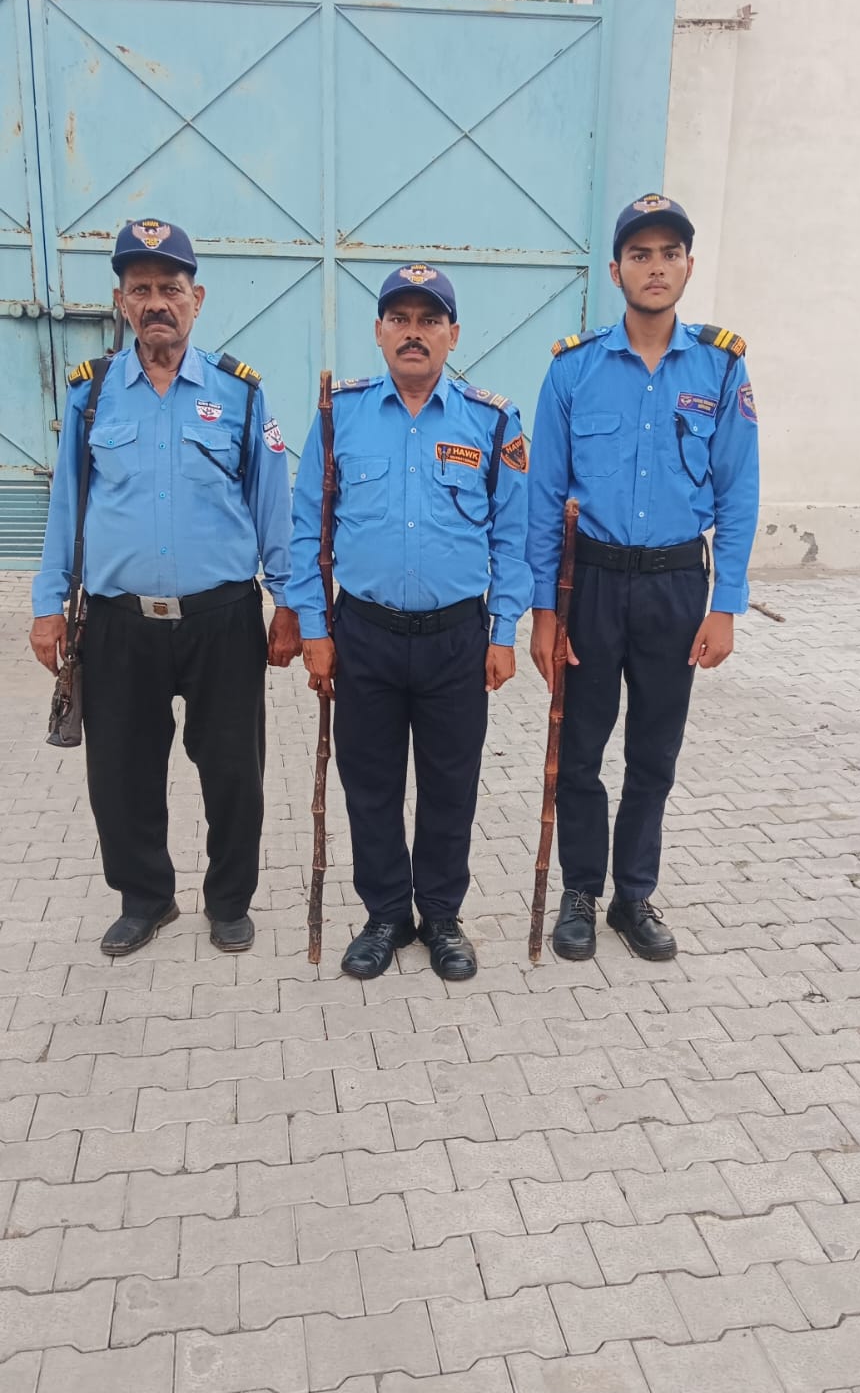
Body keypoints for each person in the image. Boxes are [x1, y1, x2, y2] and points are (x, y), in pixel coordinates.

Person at [30, 218, 301, 957]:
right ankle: (145, 898)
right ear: (121, 301)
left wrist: (291, 606)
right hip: (117, 623)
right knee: (120, 773)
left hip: (223, 619)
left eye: (170, 289)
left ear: (197, 298)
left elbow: (273, 502)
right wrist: (46, 604)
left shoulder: (242, 395)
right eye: (142, 289)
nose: (157, 302)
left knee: (233, 772)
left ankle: (229, 901)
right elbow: (67, 506)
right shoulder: (92, 398)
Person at [528, 193, 759, 962]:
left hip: (672, 586)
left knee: (653, 754)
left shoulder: (721, 366)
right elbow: (542, 494)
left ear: (687, 265)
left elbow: (737, 488)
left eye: (668, 253)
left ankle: (633, 896)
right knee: (581, 752)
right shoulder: (572, 369)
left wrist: (724, 603)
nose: (654, 268)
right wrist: (541, 611)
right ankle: (578, 894)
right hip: (589, 585)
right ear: (615, 268)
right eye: (640, 254)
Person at [289, 264, 531, 981]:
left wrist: (504, 630)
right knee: (369, 783)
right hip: (362, 633)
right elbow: (308, 526)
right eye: (400, 318)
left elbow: (511, 538)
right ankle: (386, 914)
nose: (414, 332)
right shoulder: (341, 413)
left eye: (430, 320)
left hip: (457, 637)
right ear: (379, 332)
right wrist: (313, 625)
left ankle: (443, 917)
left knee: (450, 784)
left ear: (453, 335)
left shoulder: (491, 420)